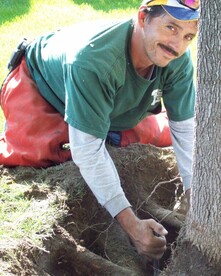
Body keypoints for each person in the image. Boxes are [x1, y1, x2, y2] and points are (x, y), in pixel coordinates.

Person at [0, 0, 199, 260]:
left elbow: (184, 131)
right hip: (42, 88)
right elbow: (88, 152)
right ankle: (94, 125)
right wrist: (132, 225)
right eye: (170, 27)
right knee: (51, 153)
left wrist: (193, 194)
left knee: (151, 136)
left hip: (107, 97)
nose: (178, 45)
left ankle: (106, 125)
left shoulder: (177, 59)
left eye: (188, 36)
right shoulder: (92, 60)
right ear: (142, 17)